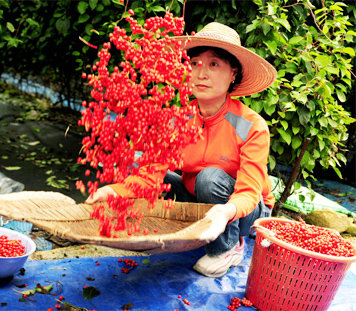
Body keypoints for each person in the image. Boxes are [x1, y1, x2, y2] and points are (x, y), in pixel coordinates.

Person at [85, 22, 277, 278]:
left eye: (214, 64)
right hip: (199, 196)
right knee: (162, 181)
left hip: (244, 208)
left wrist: (225, 211)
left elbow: (249, 191)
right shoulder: (179, 120)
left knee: (210, 179)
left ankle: (228, 247)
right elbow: (149, 175)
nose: (201, 73)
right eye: (195, 63)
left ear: (233, 73)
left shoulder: (249, 125)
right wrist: (111, 191)